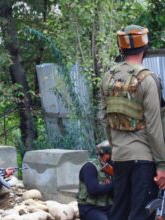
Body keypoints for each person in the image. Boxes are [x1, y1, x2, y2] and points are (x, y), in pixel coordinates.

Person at [100, 24, 165, 220]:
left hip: (120, 157)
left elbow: (106, 120)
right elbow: (155, 127)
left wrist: (116, 148)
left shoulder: (108, 78)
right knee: (142, 214)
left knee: (119, 212)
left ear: (121, 48)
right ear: (144, 47)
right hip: (144, 161)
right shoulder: (148, 79)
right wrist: (162, 165)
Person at [77, 141, 113, 220]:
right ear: (105, 154)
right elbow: (93, 189)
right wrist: (114, 184)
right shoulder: (90, 167)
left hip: (108, 207)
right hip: (90, 208)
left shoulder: (113, 167)